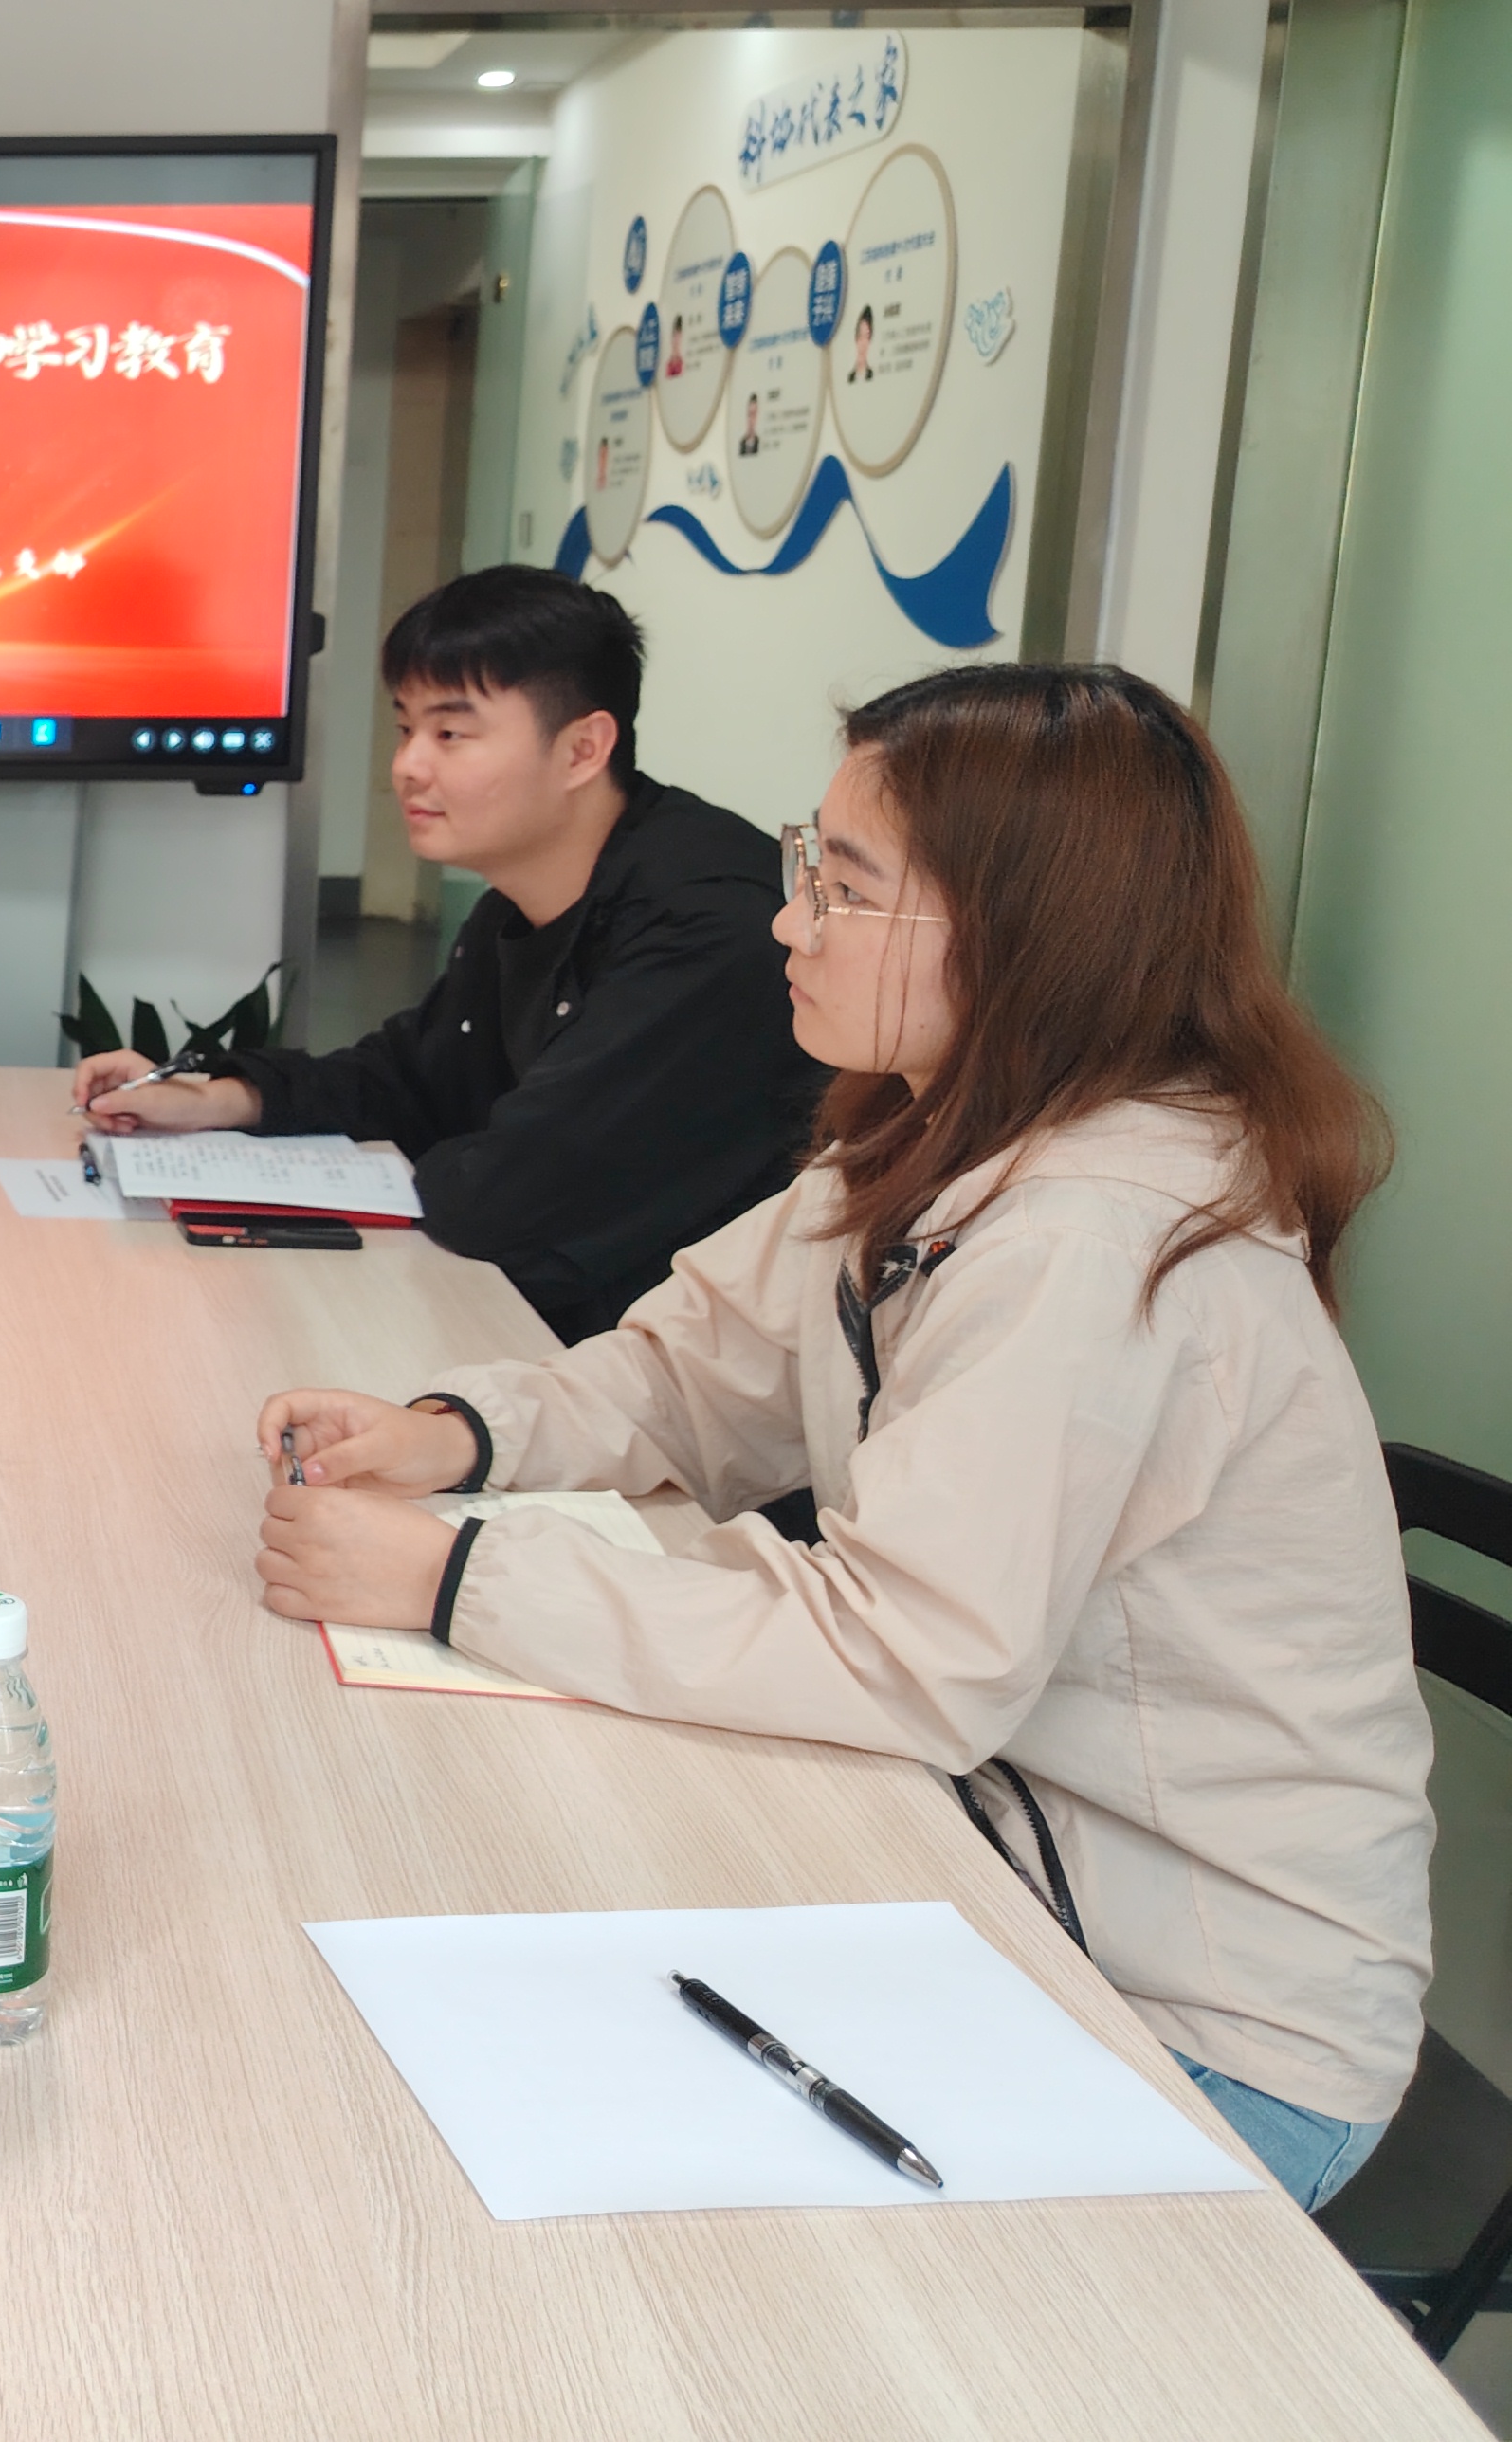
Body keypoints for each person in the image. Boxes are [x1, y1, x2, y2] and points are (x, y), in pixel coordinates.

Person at [250, 664, 1432, 2208]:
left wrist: (455, 1579)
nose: (789, 926)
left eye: (847, 890)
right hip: (999, 1874)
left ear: (1021, 933)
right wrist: (450, 1435)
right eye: (809, 868)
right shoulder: (937, 1130)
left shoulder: (1090, 1231)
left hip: (1193, 2020)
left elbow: (906, 1656)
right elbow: (690, 1375)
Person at [78, 565, 825, 1339]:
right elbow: (412, 1079)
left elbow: (507, 1203)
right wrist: (219, 1100)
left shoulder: (707, 927)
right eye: (406, 728)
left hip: (681, 1374)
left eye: (451, 734)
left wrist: (445, 1160)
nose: (408, 765)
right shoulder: (522, 896)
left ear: (582, 749)